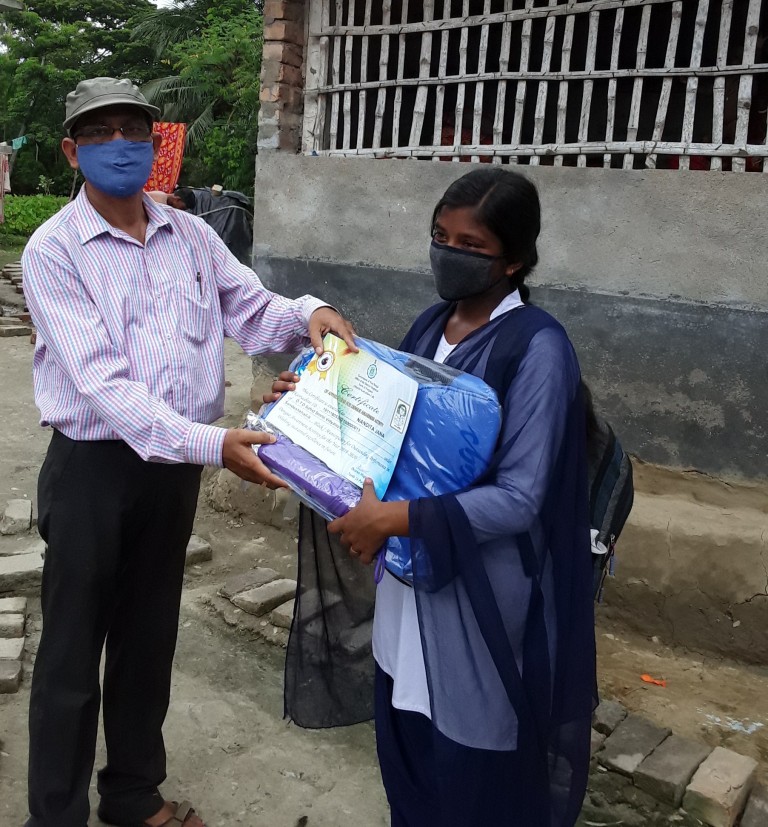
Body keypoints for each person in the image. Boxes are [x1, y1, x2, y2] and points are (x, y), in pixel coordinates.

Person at [21, 77, 356, 827]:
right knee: (72, 652)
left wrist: (311, 313)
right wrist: (215, 445)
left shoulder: (193, 236)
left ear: (155, 142)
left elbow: (253, 307)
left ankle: (132, 793)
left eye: (132, 130)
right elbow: (102, 384)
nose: (119, 145)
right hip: (92, 470)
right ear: (73, 151)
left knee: (147, 639)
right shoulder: (53, 251)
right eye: (99, 133)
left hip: (171, 473)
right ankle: (56, 814)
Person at [268, 168, 597, 826]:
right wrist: (305, 403)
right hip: (409, 584)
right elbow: (380, 438)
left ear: (514, 260)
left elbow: (520, 498)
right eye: (440, 236)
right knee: (409, 748)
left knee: (473, 769)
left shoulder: (537, 348)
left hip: (479, 601)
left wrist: (396, 517)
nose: (448, 253)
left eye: (470, 244)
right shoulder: (428, 328)